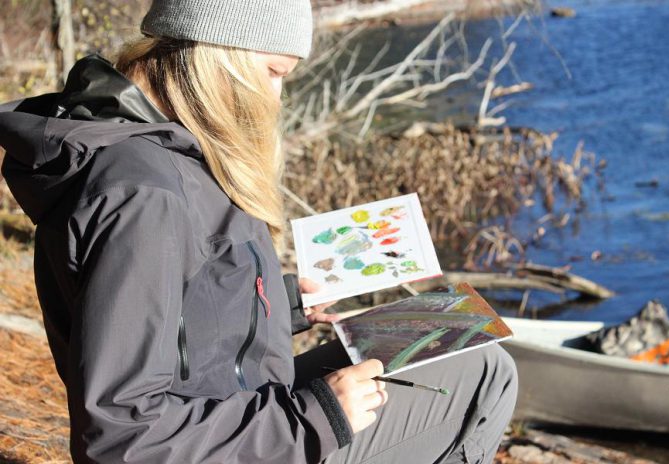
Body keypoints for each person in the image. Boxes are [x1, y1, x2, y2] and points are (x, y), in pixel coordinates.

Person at [0, 0, 518, 462]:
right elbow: (120, 440)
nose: (278, 99)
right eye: (274, 72)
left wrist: (283, 300)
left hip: (240, 409)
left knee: (453, 337)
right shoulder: (144, 192)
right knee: (485, 372)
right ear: (219, 55)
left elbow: (176, 307)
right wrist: (319, 417)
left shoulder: (158, 145)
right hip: (244, 437)